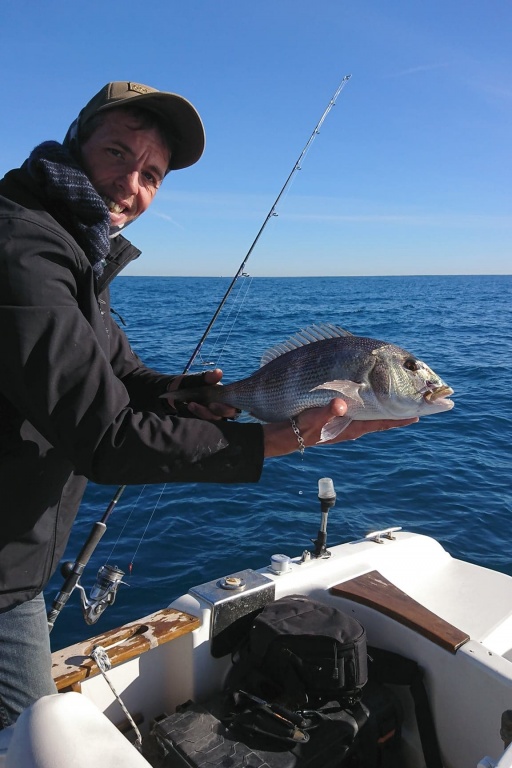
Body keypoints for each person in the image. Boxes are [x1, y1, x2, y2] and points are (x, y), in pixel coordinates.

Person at [0, 80, 417, 728]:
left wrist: (186, 395)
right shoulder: (23, 246)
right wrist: (278, 439)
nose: (131, 185)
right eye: (117, 154)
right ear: (76, 143)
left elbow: (119, 371)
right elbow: (105, 437)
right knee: (37, 739)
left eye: (152, 174)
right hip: (4, 580)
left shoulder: (72, 247)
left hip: (16, 559)